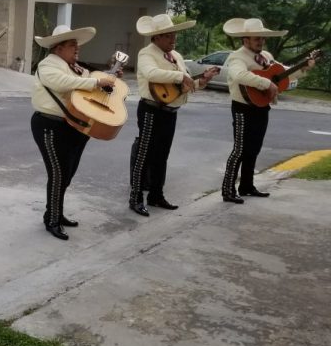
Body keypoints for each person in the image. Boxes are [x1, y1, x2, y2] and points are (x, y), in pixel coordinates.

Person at [31, 24, 118, 241]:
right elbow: (64, 83)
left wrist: (107, 80)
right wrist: (96, 81)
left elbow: (88, 89)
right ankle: (52, 219)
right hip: (49, 125)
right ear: (58, 48)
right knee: (58, 174)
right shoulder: (48, 65)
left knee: (67, 173)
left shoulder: (78, 69)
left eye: (76, 45)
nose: (77, 48)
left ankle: (56, 213)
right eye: (72, 45)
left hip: (74, 125)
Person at [129, 14, 219, 216]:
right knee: (145, 155)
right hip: (151, 109)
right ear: (157, 37)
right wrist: (181, 75)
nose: (173, 39)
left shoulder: (175, 56)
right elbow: (151, 73)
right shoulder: (146, 53)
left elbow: (182, 85)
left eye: (174, 35)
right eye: (169, 36)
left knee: (161, 156)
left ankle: (156, 195)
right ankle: (136, 198)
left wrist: (201, 81)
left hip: (170, 111)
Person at [220, 18, 315, 203]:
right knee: (240, 150)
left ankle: (247, 186)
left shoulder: (266, 56)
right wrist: (266, 83)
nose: (261, 41)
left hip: (261, 106)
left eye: (263, 38)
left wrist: (303, 67)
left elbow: (283, 72)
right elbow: (239, 75)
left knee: (254, 148)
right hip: (242, 108)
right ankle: (227, 190)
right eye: (257, 38)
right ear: (245, 40)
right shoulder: (237, 57)